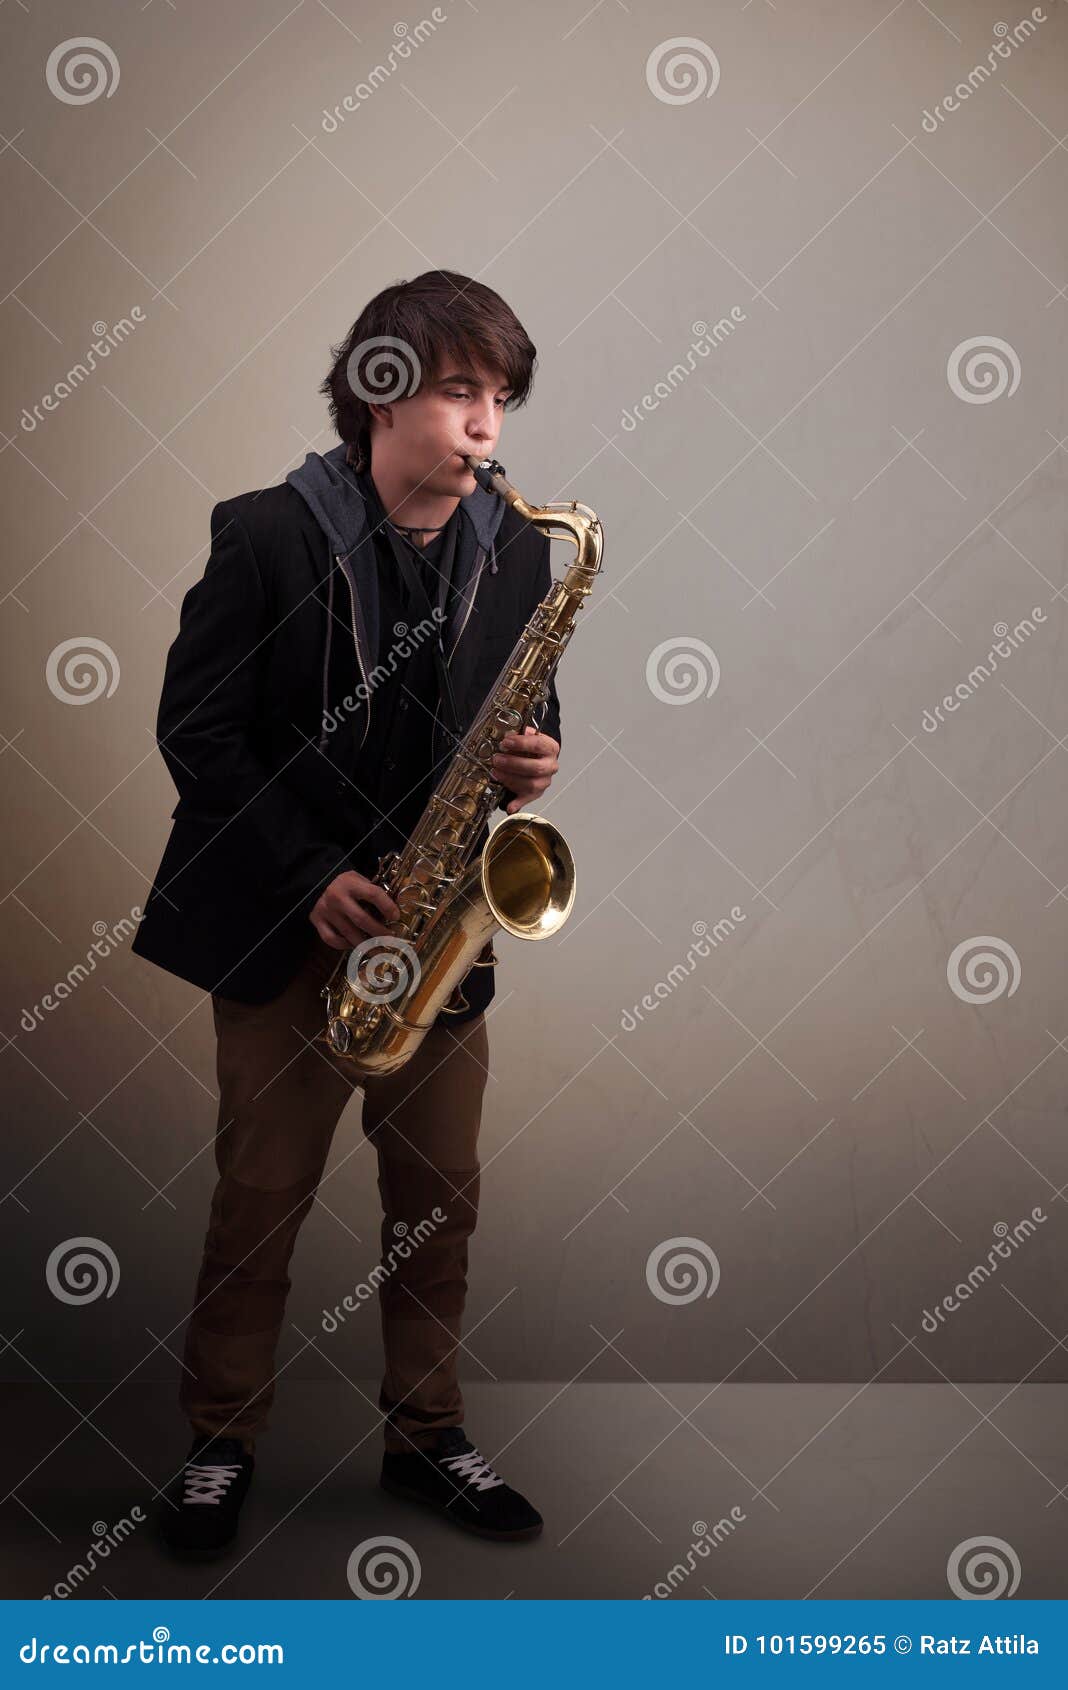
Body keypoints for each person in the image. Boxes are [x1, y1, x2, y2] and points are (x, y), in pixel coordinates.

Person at [131, 269, 563, 1558]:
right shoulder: (266, 534)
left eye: (500, 398)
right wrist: (307, 873)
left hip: (437, 934)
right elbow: (197, 734)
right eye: (457, 391)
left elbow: (527, 708)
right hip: (285, 929)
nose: (487, 425)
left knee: (440, 1198)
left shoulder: (526, 549)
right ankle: (219, 1448)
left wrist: (533, 761)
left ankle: (428, 1437)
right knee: (260, 1194)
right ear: (379, 393)